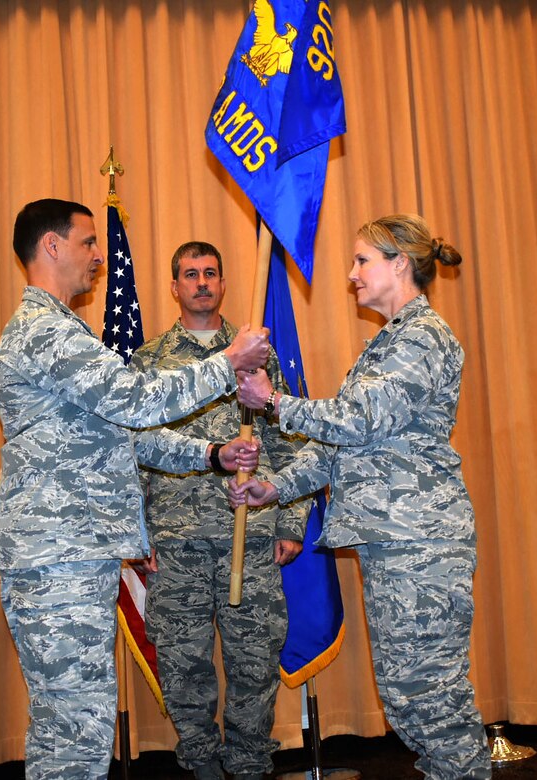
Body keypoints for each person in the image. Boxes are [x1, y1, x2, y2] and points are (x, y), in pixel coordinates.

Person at [0, 199, 270, 780]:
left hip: (75, 552)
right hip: (57, 555)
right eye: (89, 242)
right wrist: (227, 363)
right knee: (74, 732)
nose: (100, 256)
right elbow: (137, 401)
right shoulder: (44, 331)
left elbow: (128, 433)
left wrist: (211, 454)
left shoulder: (65, 328)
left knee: (77, 727)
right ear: (52, 246)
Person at [230, 214, 493, 779]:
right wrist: (273, 487)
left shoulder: (423, 336)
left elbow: (360, 418)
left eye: (361, 260)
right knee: (405, 694)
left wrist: (274, 402)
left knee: (432, 697)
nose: (351, 274)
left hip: (420, 542)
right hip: (392, 543)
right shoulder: (385, 344)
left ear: (400, 263)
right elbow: (332, 447)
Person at [130, 241, 308, 780]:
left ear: (225, 283)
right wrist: (138, 539)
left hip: (250, 534)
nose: (201, 282)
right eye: (190, 274)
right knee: (185, 666)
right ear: (175, 286)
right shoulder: (149, 361)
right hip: (176, 543)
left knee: (254, 664)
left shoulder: (257, 353)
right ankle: (202, 765)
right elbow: (133, 453)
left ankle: (251, 765)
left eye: (210, 273)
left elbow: (287, 439)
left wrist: (292, 520)